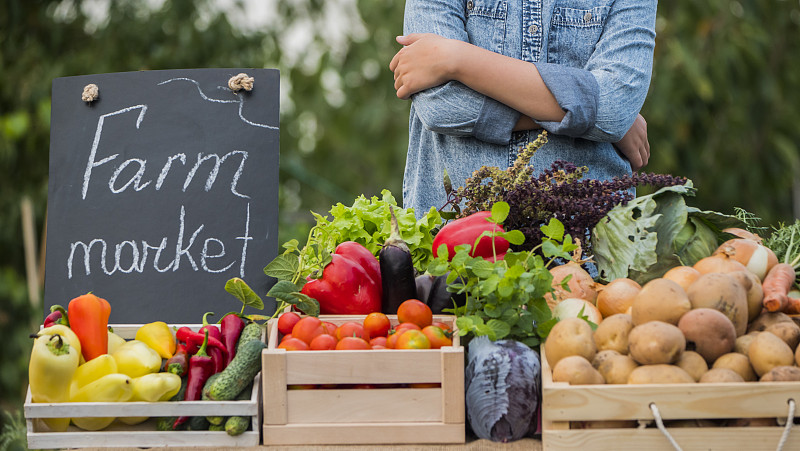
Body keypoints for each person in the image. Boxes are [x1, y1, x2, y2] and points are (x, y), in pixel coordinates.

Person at [390, 0, 655, 216]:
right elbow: (444, 105)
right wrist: (588, 111)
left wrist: (458, 59)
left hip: (586, 249)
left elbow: (614, 108)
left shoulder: (456, 58)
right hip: (454, 246)